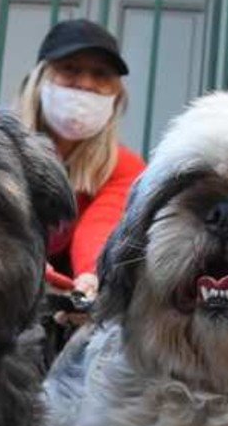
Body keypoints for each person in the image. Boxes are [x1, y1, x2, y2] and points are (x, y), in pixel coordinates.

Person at [16, 19, 145, 302]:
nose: (86, 84)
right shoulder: (0, 149)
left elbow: (103, 223)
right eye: (70, 69)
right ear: (40, 80)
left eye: (101, 74)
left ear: (117, 94)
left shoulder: (125, 167)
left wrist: (91, 274)